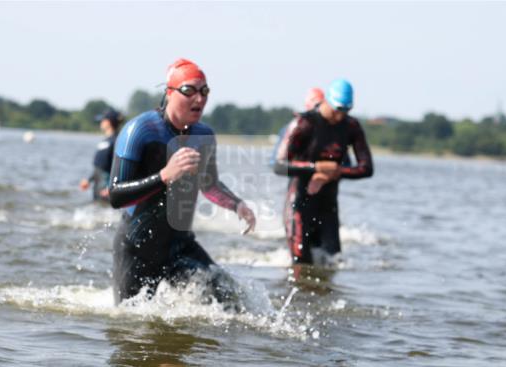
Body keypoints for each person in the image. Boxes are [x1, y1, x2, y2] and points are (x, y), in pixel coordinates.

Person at [108, 58, 256, 306]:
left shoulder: (203, 135)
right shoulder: (140, 131)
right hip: (137, 246)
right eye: (189, 91)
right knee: (131, 327)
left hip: (180, 245)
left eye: (204, 91)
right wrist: (165, 175)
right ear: (169, 93)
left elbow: (209, 185)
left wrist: (237, 205)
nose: (199, 99)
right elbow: (115, 196)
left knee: (230, 299)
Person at [272, 78, 374, 266]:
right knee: (301, 263)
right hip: (299, 204)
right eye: (337, 110)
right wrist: (316, 168)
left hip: (328, 207)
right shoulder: (304, 123)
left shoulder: (351, 126)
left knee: (332, 262)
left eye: (346, 111)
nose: (340, 116)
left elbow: (367, 168)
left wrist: (334, 172)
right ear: (326, 100)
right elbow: (278, 165)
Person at [80, 108, 123, 202]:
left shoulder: (117, 141)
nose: (100, 122)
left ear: (108, 122)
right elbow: (99, 166)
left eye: (102, 120)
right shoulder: (105, 141)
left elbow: (120, 166)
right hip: (97, 187)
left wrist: (112, 187)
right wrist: (89, 180)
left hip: (107, 189)